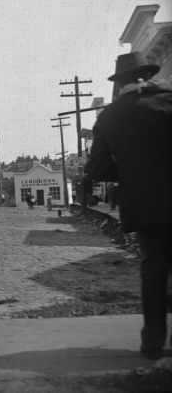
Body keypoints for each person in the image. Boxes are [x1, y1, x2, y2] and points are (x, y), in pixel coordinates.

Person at [85, 51, 172, 361]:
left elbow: (96, 169)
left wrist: (128, 174)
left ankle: (152, 343)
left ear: (118, 84)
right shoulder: (168, 100)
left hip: (144, 205)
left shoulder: (109, 117)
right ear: (147, 76)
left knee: (153, 271)